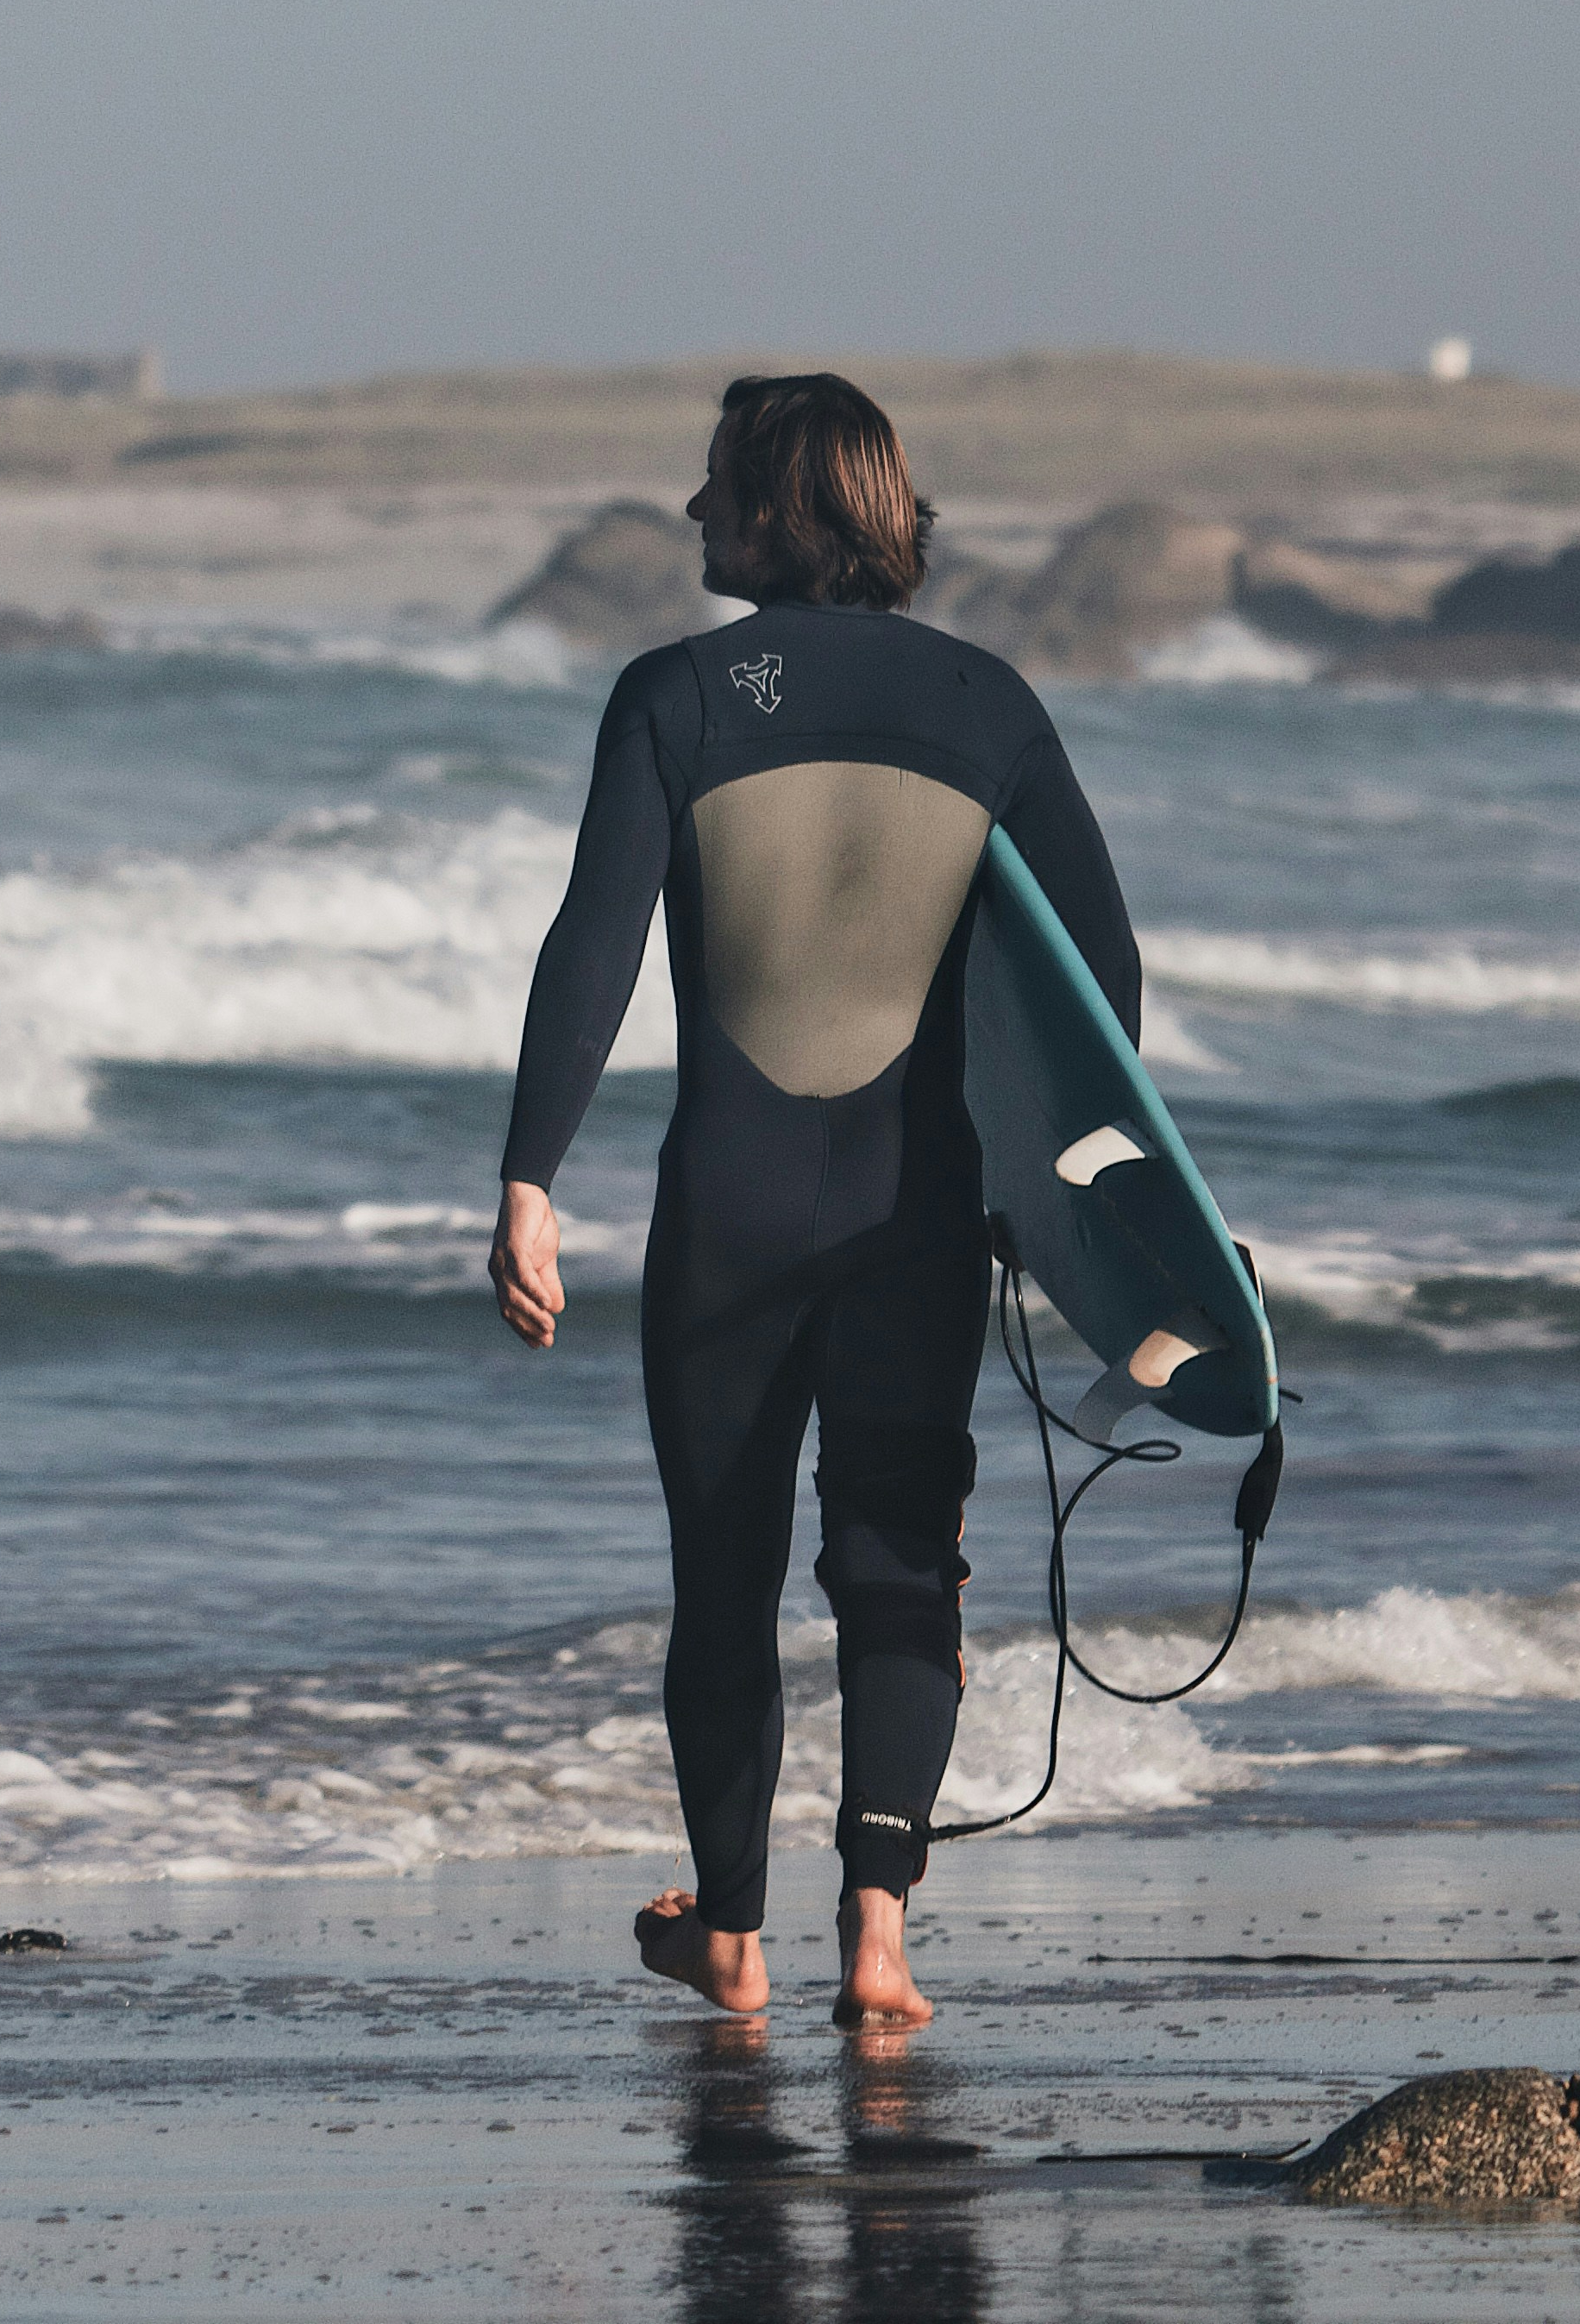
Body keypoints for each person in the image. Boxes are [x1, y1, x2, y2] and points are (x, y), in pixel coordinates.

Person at [488, 374, 1143, 2028]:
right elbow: (1104, 973)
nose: (695, 511)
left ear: (780, 508)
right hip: (918, 1214)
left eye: (716, 485)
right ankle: (882, 1943)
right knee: (902, 1563)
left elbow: (592, 947)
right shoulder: (988, 704)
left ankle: (729, 1933)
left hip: (726, 1207)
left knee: (727, 1572)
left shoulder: (675, 696)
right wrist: (1039, 1194)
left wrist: (528, 1177)